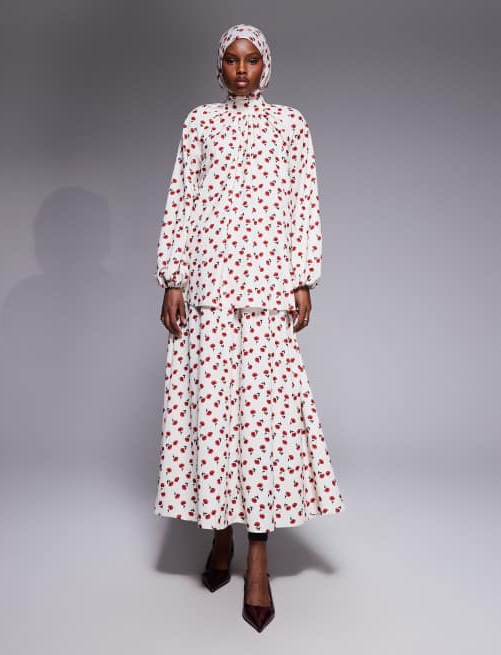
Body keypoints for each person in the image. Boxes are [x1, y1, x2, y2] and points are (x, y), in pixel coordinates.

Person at [152, 23, 345, 632]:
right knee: (213, 415)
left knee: (261, 424)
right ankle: (219, 534)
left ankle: (257, 557)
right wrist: (174, 278)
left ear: (266, 66)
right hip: (208, 289)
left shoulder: (290, 124)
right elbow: (182, 200)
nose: (241, 69)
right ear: (219, 68)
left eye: (252, 59)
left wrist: (303, 276)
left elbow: (304, 201)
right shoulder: (199, 123)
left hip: (266, 289)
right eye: (232, 60)